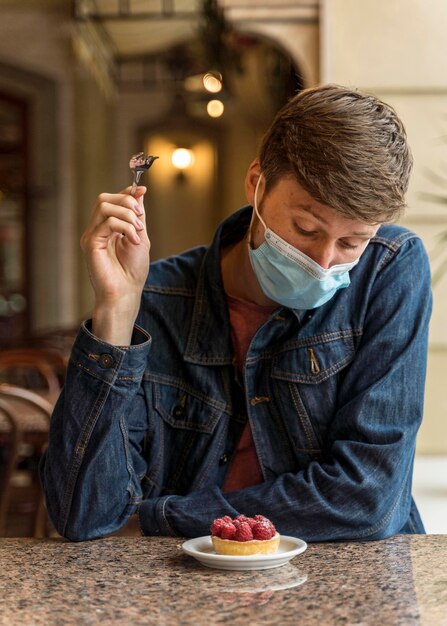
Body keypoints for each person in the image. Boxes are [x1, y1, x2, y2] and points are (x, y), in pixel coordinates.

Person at [40, 84, 432, 542]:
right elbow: (83, 516)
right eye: (306, 228)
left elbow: (368, 501)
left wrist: (163, 519)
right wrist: (116, 312)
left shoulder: (388, 269)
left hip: (352, 583)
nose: (324, 262)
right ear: (256, 183)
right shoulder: (158, 300)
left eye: (351, 242)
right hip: (189, 588)